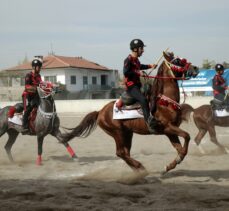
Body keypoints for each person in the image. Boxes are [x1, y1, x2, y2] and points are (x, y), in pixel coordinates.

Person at [123, 38, 158, 131]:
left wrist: (150, 66)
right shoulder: (128, 59)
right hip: (131, 86)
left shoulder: (136, 60)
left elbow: (140, 66)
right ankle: (148, 122)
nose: (142, 50)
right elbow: (126, 72)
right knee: (143, 99)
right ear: (135, 49)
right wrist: (138, 73)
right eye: (141, 48)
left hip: (138, 85)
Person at [22, 57, 43, 130]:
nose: (40, 69)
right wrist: (37, 88)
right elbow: (27, 87)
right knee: (28, 109)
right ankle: (24, 126)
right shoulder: (29, 75)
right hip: (27, 96)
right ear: (34, 67)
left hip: (35, 96)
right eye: (39, 67)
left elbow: (41, 84)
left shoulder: (39, 76)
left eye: (40, 67)